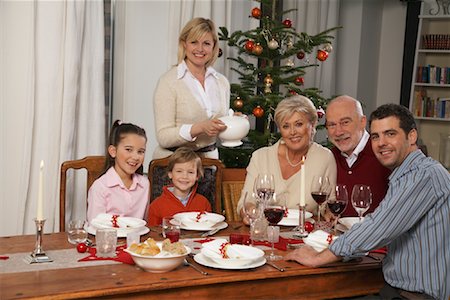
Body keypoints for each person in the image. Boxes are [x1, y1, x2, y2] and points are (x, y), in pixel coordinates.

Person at [286, 104, 450, 300]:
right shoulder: (407, 175)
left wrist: (317, 258)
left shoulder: (424, 175)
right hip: (394, 290)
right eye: (375, 136)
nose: (381, 143)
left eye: (390, 134)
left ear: (411, 136)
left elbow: (379, 227)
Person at [237, 95, 337, 223]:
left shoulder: (324, 157)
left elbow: (328, 204)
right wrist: (250, 210)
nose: (292, 132)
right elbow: (245, 202)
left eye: (299, 124)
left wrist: (329, 212)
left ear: (312, 125)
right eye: (286, 126)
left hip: (304, 235)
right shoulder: (261, 157)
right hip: (266, 231)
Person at [152, 17, 230, 159]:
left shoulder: (222, 82)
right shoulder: (168, 82)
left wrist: (232, 120)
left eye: (206, 43)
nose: (200, 49)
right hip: (173, 164)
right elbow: (163, 137)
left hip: (209, 162)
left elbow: (220, 128)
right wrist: (198, 128)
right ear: (184, 44)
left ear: (213, 47)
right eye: (194, 42)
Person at [325, 95, 391, 216]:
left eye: (345, 122)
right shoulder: (329, 157)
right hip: (338, 233)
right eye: (332, 125)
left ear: (362, 122)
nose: (338, 132)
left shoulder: (385, 154)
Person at [87, 120, 149, 223]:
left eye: (140, 152)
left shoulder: (145, 184)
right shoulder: (100, 187)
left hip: (136, 238)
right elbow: (95, 226)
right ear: (113, 151)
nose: (135, 157)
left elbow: (144, 223)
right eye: (128, 149)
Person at [147, 147, 212, 226]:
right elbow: (153, 234)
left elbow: (209, 230)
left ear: (197, 176)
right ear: (170, 173)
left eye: (190, 172)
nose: (185, 176)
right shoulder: (156, 206)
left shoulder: (204, 203)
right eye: (179, 171)